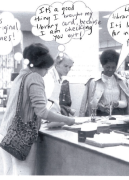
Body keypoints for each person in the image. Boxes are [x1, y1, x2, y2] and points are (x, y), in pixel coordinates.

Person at [0, 43, 75, 175]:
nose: (46, 72)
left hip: (6, 133)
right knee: (24, 174)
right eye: (46, 69)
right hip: (21, 135)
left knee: (9, 173)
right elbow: (41, 111)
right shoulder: (35, 77)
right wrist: (67, 120)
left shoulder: (20, 76)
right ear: (39, 66)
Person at [79, 49, 129, 117]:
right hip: (100, 116)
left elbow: (125, 103)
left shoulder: (121, 81)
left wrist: (117, 103)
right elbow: (89, 103)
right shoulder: (94, 81)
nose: (110, 70)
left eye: (113, 67)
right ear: (102, 65)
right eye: (107, 67)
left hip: (117, 115)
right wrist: (99, 106)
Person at [43, 53, 75, 127]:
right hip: (45, 120)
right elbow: (45, 102)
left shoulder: (59, 78)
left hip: (52, 118)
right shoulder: (49, 78)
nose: (68, 70)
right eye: (65, 66)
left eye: (70, 67)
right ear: (57, 64)